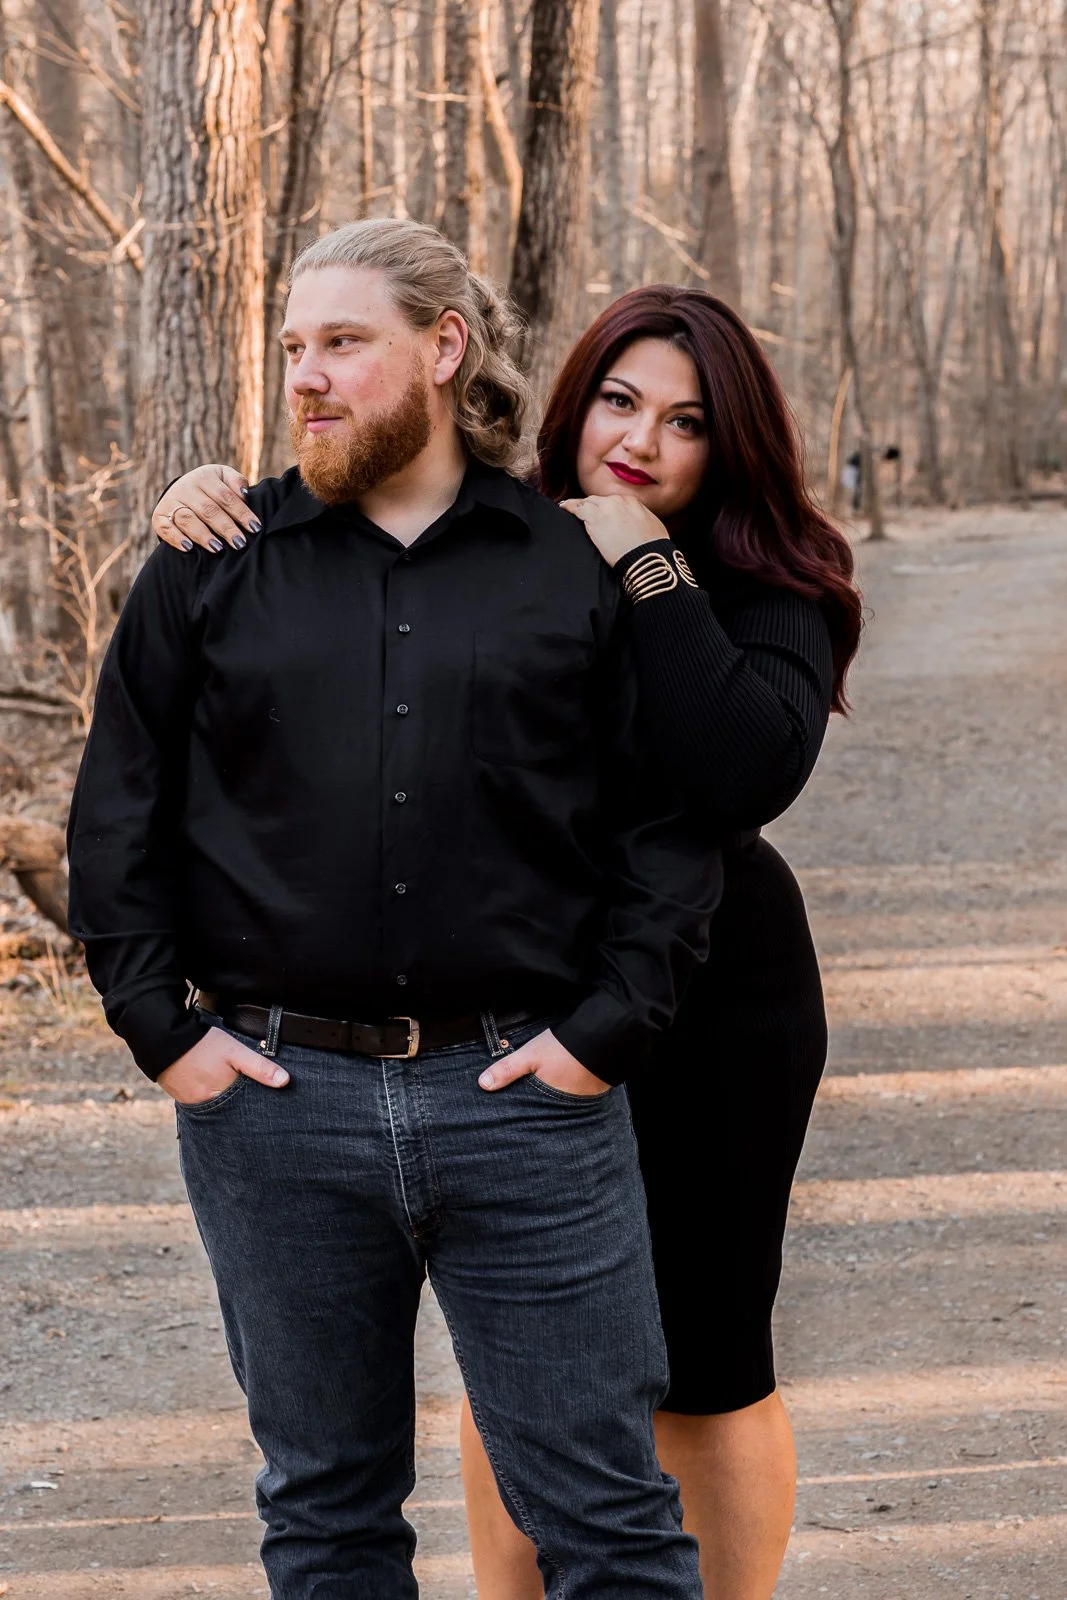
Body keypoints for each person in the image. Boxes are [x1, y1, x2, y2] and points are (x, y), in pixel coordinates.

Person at [153, 284, 864, 1600]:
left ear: (732, 445)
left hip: (715, 1004)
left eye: (684, 420)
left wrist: (645, 562)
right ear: (573, 395)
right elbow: (317, 576)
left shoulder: (771, 581)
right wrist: (213, 497)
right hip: (518, 982)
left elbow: (739, 771)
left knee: (705, 1357)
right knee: (521, 1353)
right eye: (617, 399)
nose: (640, 437)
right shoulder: (490, 538)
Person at [68, 222, 720, 1599]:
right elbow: (119, 807)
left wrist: (607, 1028)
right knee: (325, 1517)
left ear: (443, 347)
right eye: (294, 348)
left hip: (528, 1103)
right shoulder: (211, 560)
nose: (307, 376)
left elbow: (665, 826)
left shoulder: (570, 565)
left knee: (607, 1523)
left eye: (344, 344)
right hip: (275, 1104)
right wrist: (160, 1032)